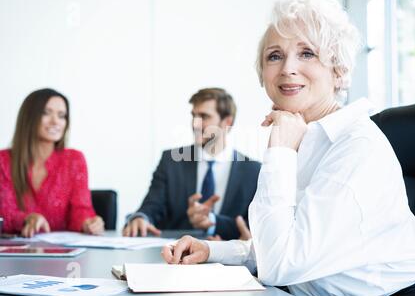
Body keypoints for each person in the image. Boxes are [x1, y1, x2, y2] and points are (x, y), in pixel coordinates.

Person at [161, 0, 415, 296]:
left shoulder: (356, 147)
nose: (288, 68)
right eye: (275, 56)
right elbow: (286, 241)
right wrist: (212, 250)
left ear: (337, 70)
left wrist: (280, 152)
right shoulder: (305, 136)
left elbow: (282, 262)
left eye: (307, 53)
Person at [123, 88, 261, 240]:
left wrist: (213, 222)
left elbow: (254, 225)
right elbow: (152, 206)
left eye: (204, 116)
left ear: (227, 122)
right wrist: (140, 218)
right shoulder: (171, 161)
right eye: (193, 115)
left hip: (230, 259)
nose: (195, 124)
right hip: (173, 257)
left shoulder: (253, 171)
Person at [0, 88, 104, 238]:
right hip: (14, 254)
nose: (55, 121)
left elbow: (81, 210)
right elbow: (4, 213)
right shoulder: (3, 160)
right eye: (46, 113)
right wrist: (26, 219)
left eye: (62, 116)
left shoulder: (74, 160)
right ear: (29, 117)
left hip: (62, 255)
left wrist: (88, 222)